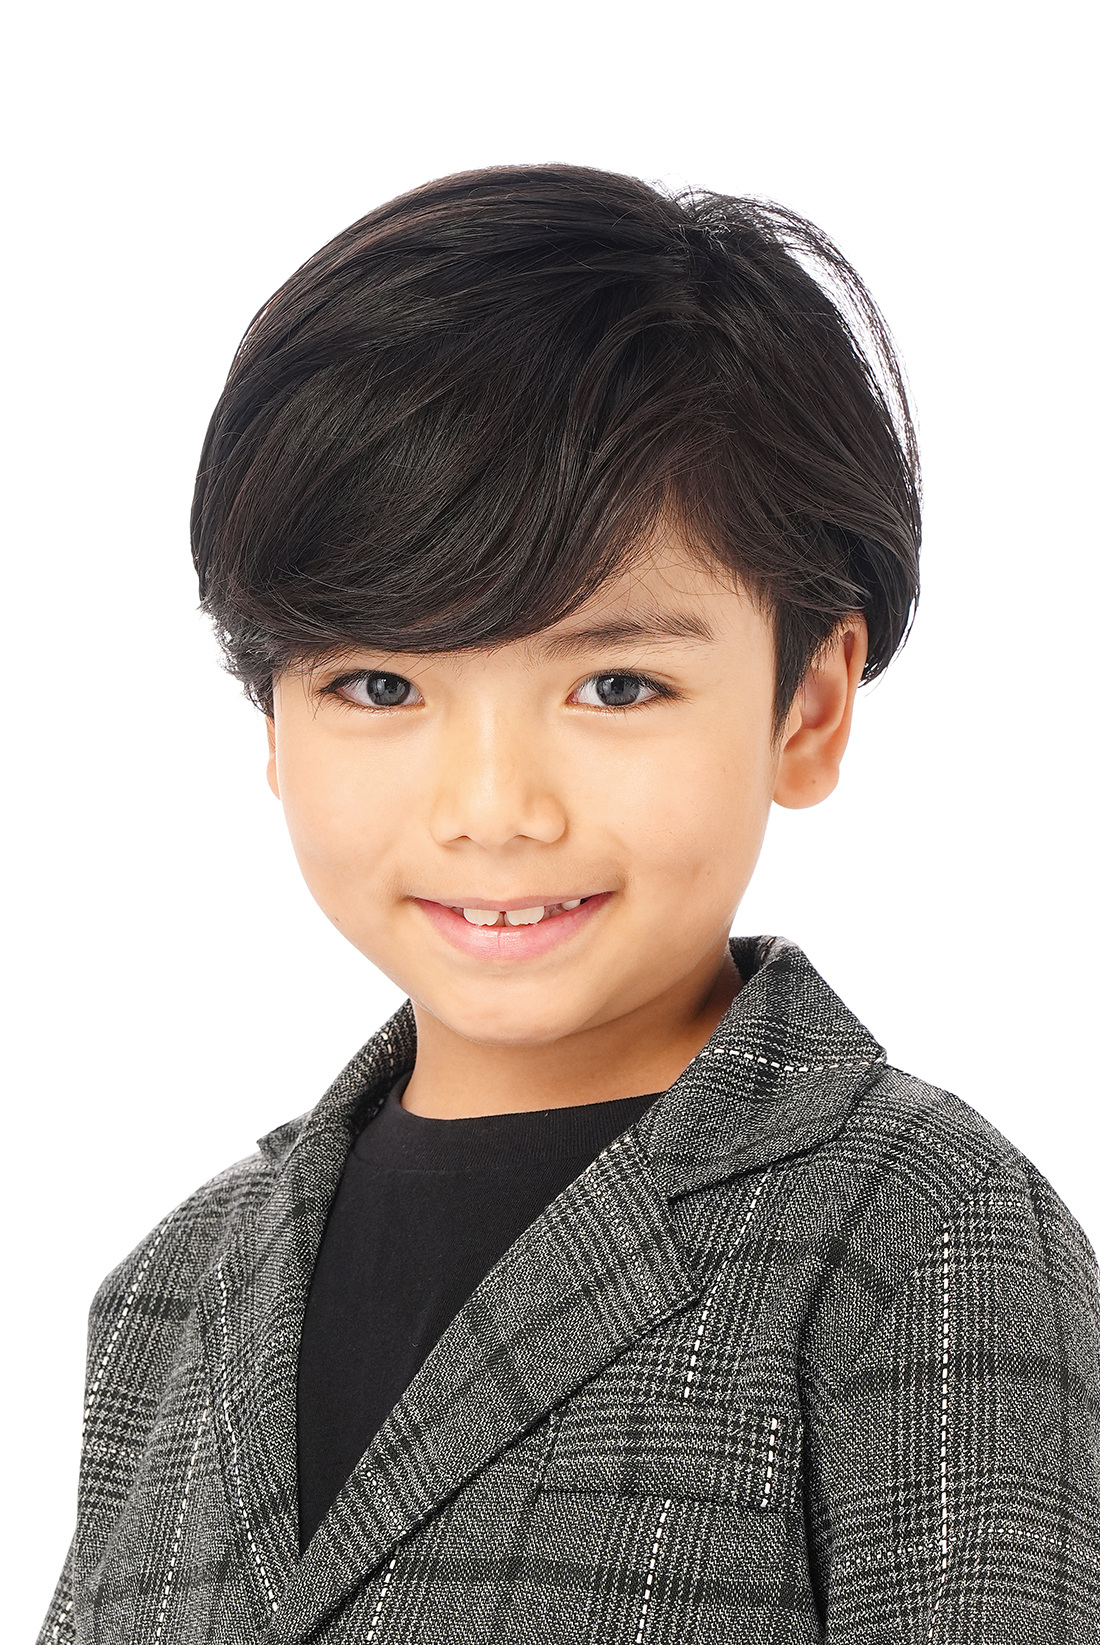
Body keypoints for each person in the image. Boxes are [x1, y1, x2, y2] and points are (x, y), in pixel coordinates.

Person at [39, 164, 1099, 1644]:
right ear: (270, 720)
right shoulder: (174, 1290)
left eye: (615, 685)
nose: (494, 807)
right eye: (379, 685)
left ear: (808, 705)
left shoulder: (910, 1237)